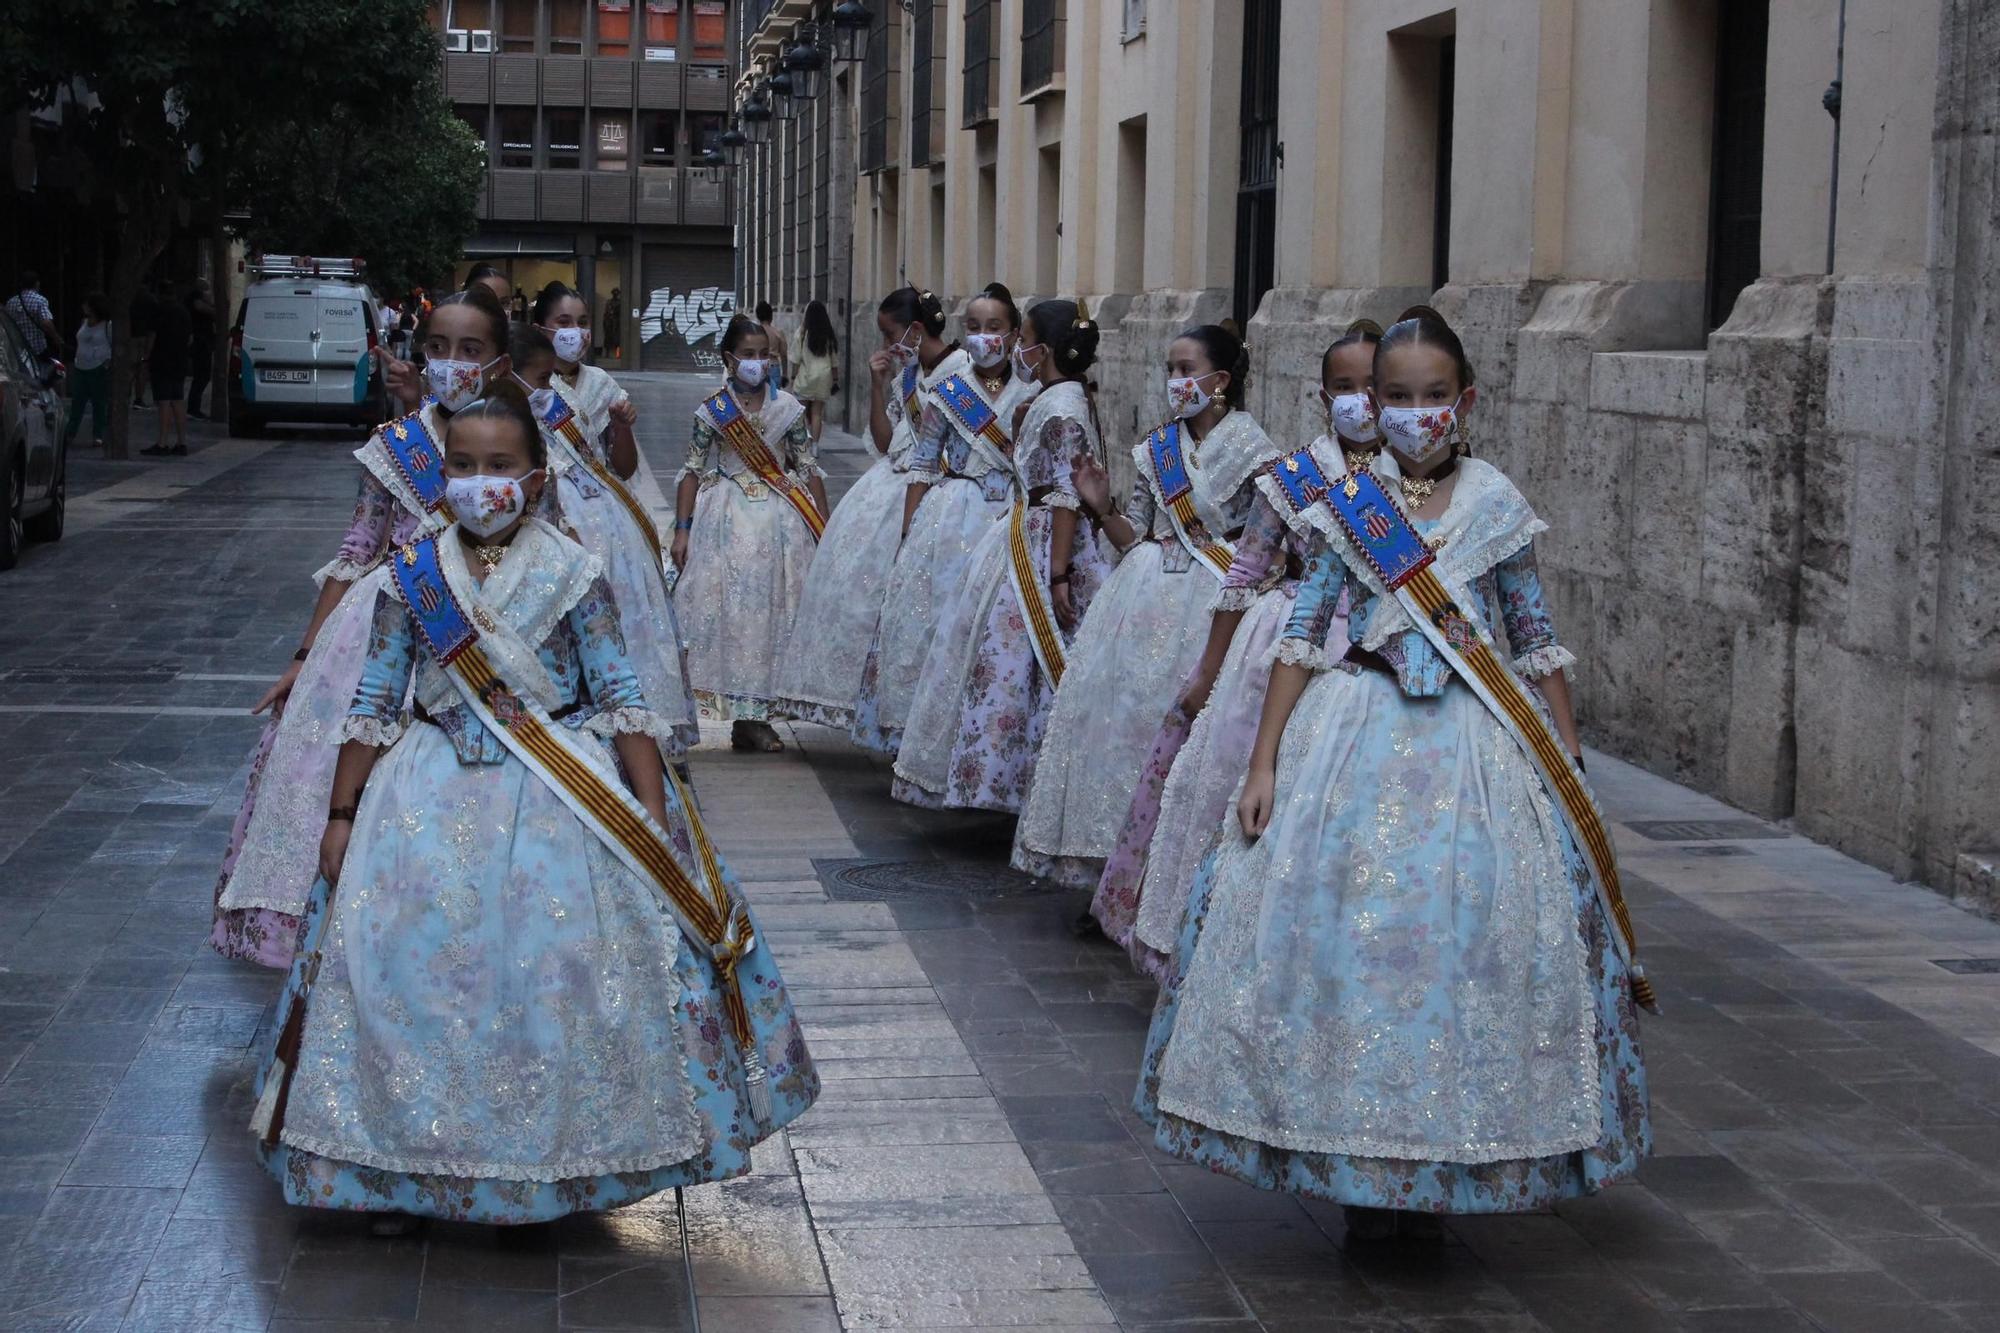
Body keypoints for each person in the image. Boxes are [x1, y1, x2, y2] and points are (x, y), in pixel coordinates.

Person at [248, 382, 819, 1233]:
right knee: (407, 982)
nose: (482, 484)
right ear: (442, 478)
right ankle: (396, 1169)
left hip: (558, 794)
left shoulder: (573, 570)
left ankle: (557, 1166)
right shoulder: (413, 576)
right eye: (464, 468)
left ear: (539, 477)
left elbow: (621, 695)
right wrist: (340, 814)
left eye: (500, 466)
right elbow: (372, 700)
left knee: (556, 983)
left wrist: (655, 821)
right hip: (421, 798)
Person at [1136, 307, 1651, 1239]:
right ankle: (1352, 1161)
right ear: (1373, 403)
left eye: (1435, 397)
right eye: (1400, 397)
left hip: (1477, 750)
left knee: (1464, 952)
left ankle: (1440, 1165)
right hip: (1353, 733)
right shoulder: (1344, 506)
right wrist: (1262, 762)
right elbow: (1303, 634)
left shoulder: (1497, 502)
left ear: (1466, 400)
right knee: (1350, 950)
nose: (1419, 414)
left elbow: (1534, 641)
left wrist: (1569, 768)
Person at [212, 288, 513, 967]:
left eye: (470, 351)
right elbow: (357, 550)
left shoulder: (525, 441)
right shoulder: (394, 446)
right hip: (383, 626)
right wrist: (304, 654)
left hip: (488, 631)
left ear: (498, 364)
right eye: (438, 349)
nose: (450, 364)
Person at [1093, 320, 1383, 974]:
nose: (1360, 399)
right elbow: (1246, 573)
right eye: (1344, 386)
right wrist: (1206, 672)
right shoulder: (1294, 476)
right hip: (1283, 649)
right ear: (1320, 395)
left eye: (1375, 386)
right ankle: (1236, 954)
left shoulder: (1409, 481)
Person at [1011, 323, 1279, 890]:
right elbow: (1135, 534)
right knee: (1120, 728)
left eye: (1187, 370)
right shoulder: (1158, 448)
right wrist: (1102, 507)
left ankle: (1172, 876)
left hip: (1215, 602)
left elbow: (1266, 545)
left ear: (1221, 380)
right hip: (1142, 598)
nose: (1176, 381)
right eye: (1171, 370)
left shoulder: (1258, 451)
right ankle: (1116, 873)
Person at [892, 299, 1109, 813]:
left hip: (1042, 544)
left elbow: (1063, 494)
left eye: (1021, 336)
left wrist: (1057, 575)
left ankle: (1033, 786)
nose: (1015, 348)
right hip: (1021, 532)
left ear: (1042, 347)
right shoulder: (1050, 398)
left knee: (1032, 659)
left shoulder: (1062, 407)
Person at [851, 283, 1032, 756]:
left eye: (994, 327)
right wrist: (909, 535)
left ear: (1014, 335)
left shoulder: (1032, 395)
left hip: (1012, 520)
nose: (983, 336)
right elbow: (922, 465)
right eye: (973, 327)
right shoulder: (948, 392)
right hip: (951, 517)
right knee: (934, 623)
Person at [511, 325, 699, 761]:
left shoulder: (590, 390)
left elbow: (620, 465)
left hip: (601, 526)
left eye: (581, 319)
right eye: (561, 319)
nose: (572, 331)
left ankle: (624, 730)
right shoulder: (505, 416)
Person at [772, 286, 945, 732]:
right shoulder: (907, 377)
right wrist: (877, 385)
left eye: (892, 335)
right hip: (891, 483)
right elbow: (885, 442)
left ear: (915, 329)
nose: (889, 345)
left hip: (934, 494)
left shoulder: (958, 373)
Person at [673, 313, 827, 752]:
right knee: (730, 616)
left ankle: (759, 716)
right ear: (729, 358)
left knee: (771, 617)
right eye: (748, 355)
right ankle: (736, 714)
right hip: (723, 520)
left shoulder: (788, 409)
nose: (758, 363)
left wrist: (826, 529)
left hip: (780, 521)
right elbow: (691, 470)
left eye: (765, 356)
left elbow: (807, 466)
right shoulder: (712, 410)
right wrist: (682, 530)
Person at [534, 281, 641, 480]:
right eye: (564, 322)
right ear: (540, 330)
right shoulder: (526, 384)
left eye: (582, 323)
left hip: (596, 505)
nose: (576, 331)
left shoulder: (602, 383)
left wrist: (622, 427)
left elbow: (625, 471)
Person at [142, 279, 192, 457]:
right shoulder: (184, 312)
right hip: (179, 361)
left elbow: (152, 335)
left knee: (163, 402)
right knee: (177, 401)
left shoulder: (158, 311)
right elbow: (189, 338)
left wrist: (146, 356)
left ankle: (162, 442)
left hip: (162, 360)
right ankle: (181, 441)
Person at [63, 294, 114, 450]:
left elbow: (113, 343)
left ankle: (98, 434)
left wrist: (107, 362)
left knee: (99, 402)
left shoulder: (107, 325)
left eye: (87, 304)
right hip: (81, 366)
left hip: (98, 367)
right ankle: (71, 432)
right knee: (77, 401)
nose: (83, 307)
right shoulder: (84, 322)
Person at [790, 299, 839, 442]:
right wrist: (835, 380)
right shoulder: (829, 334)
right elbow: (834, 361)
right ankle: (815, 446)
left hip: (806, 377)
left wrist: (793, 377)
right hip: (824, 377)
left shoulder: (802, 333)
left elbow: (795, 359)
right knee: (817, 413)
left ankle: (804, 442)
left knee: (801, 413)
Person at [3, 270, 62, 365]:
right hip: (37, 348)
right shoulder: (40, 300)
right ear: (37, 284)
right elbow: (46, 323)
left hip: (19, 350)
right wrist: (56, 338)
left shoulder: (11, 302)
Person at [185, 279, 217, 419]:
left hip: (204, 342)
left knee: (202, 377)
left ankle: (194, 407)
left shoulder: (196, 301)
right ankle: (193, 408)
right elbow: (200, 307)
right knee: (201, 376)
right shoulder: (195, 299)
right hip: (200, 343)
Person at [128, 283, 157, 409]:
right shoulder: (151, 300)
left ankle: (126, 396)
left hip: (131, 337)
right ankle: (138, 399)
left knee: (131, 369)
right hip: (145, 337)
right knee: (142, 369)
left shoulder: (129, 298)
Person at [755, 300, 790, 389]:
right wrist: (785, 374)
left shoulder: (753, 333)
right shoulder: (778, 333)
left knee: (757, 398)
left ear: (758, 316)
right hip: (773, 366)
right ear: (771, 316)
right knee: (774, 399)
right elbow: (784, 355)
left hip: (757, 367)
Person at [603, 286, 624, 358]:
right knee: (608, 338)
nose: (615, 294)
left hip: (617, 322)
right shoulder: (609, 302)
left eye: (617, 293)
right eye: (614, 293)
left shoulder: (620, 302)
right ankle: (607, 354)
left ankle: (617, 354)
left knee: (617, 339)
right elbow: (606, 313)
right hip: (609, 323)